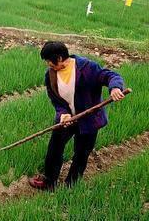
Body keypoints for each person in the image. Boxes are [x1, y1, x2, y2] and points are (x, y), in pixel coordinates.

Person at [29, 41, 126, 190]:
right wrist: (63, 114)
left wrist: (115, 88)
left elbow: (110, 76)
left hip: (89, 120)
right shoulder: (50, 76)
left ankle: (71, 185)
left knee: (81, 153)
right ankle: (49, 182)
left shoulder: (87, 67)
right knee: (54, 148)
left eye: (49, 60)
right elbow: (56, 100)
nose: (48, 64)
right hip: (67, 120)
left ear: (60, 58)